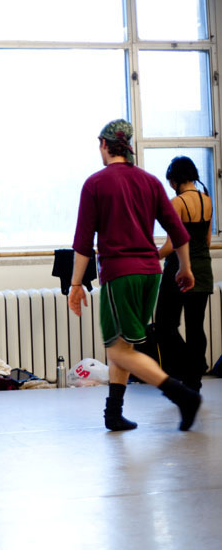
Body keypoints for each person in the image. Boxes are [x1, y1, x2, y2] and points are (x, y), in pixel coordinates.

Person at [69, 119, 201, 432]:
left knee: (116, 349)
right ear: (128, 147)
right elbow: (178, 232)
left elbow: (83, 242)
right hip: (151, 274)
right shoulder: (151, 181)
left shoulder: (96, 183)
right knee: (123, 347)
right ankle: (113, 413)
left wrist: (76, 284)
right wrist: (185, 267)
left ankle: (182, 395)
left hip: (120, 273)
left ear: (103, 144)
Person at [154, 156, 213, 392]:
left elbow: (172, 244)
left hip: (177, 270)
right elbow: (206, 241)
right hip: (203, 269)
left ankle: (188, 366)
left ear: (175, 179)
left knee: (163, 325)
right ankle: (194, 378)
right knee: (195, 327)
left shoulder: (176, 203)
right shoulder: (207, 200)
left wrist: (153, 256)